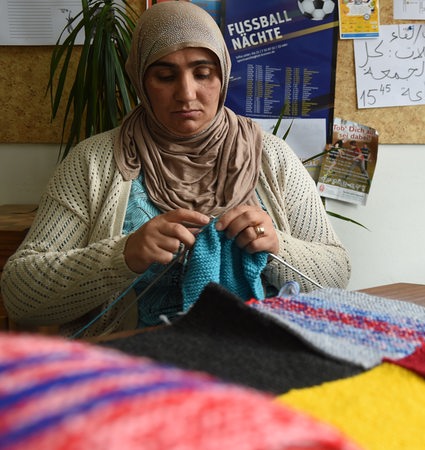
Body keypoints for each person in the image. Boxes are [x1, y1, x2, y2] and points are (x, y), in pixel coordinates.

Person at [0, 1, 350, 336]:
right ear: (140, 80)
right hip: (131, 366)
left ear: (223, 75)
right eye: (165, 76)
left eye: (203, 73)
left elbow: (336, 273)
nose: (186, 93)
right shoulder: (94, 162)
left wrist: (277, 247)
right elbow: (20, 295)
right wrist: (123, 256)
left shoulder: (271, 156)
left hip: (255, 353)